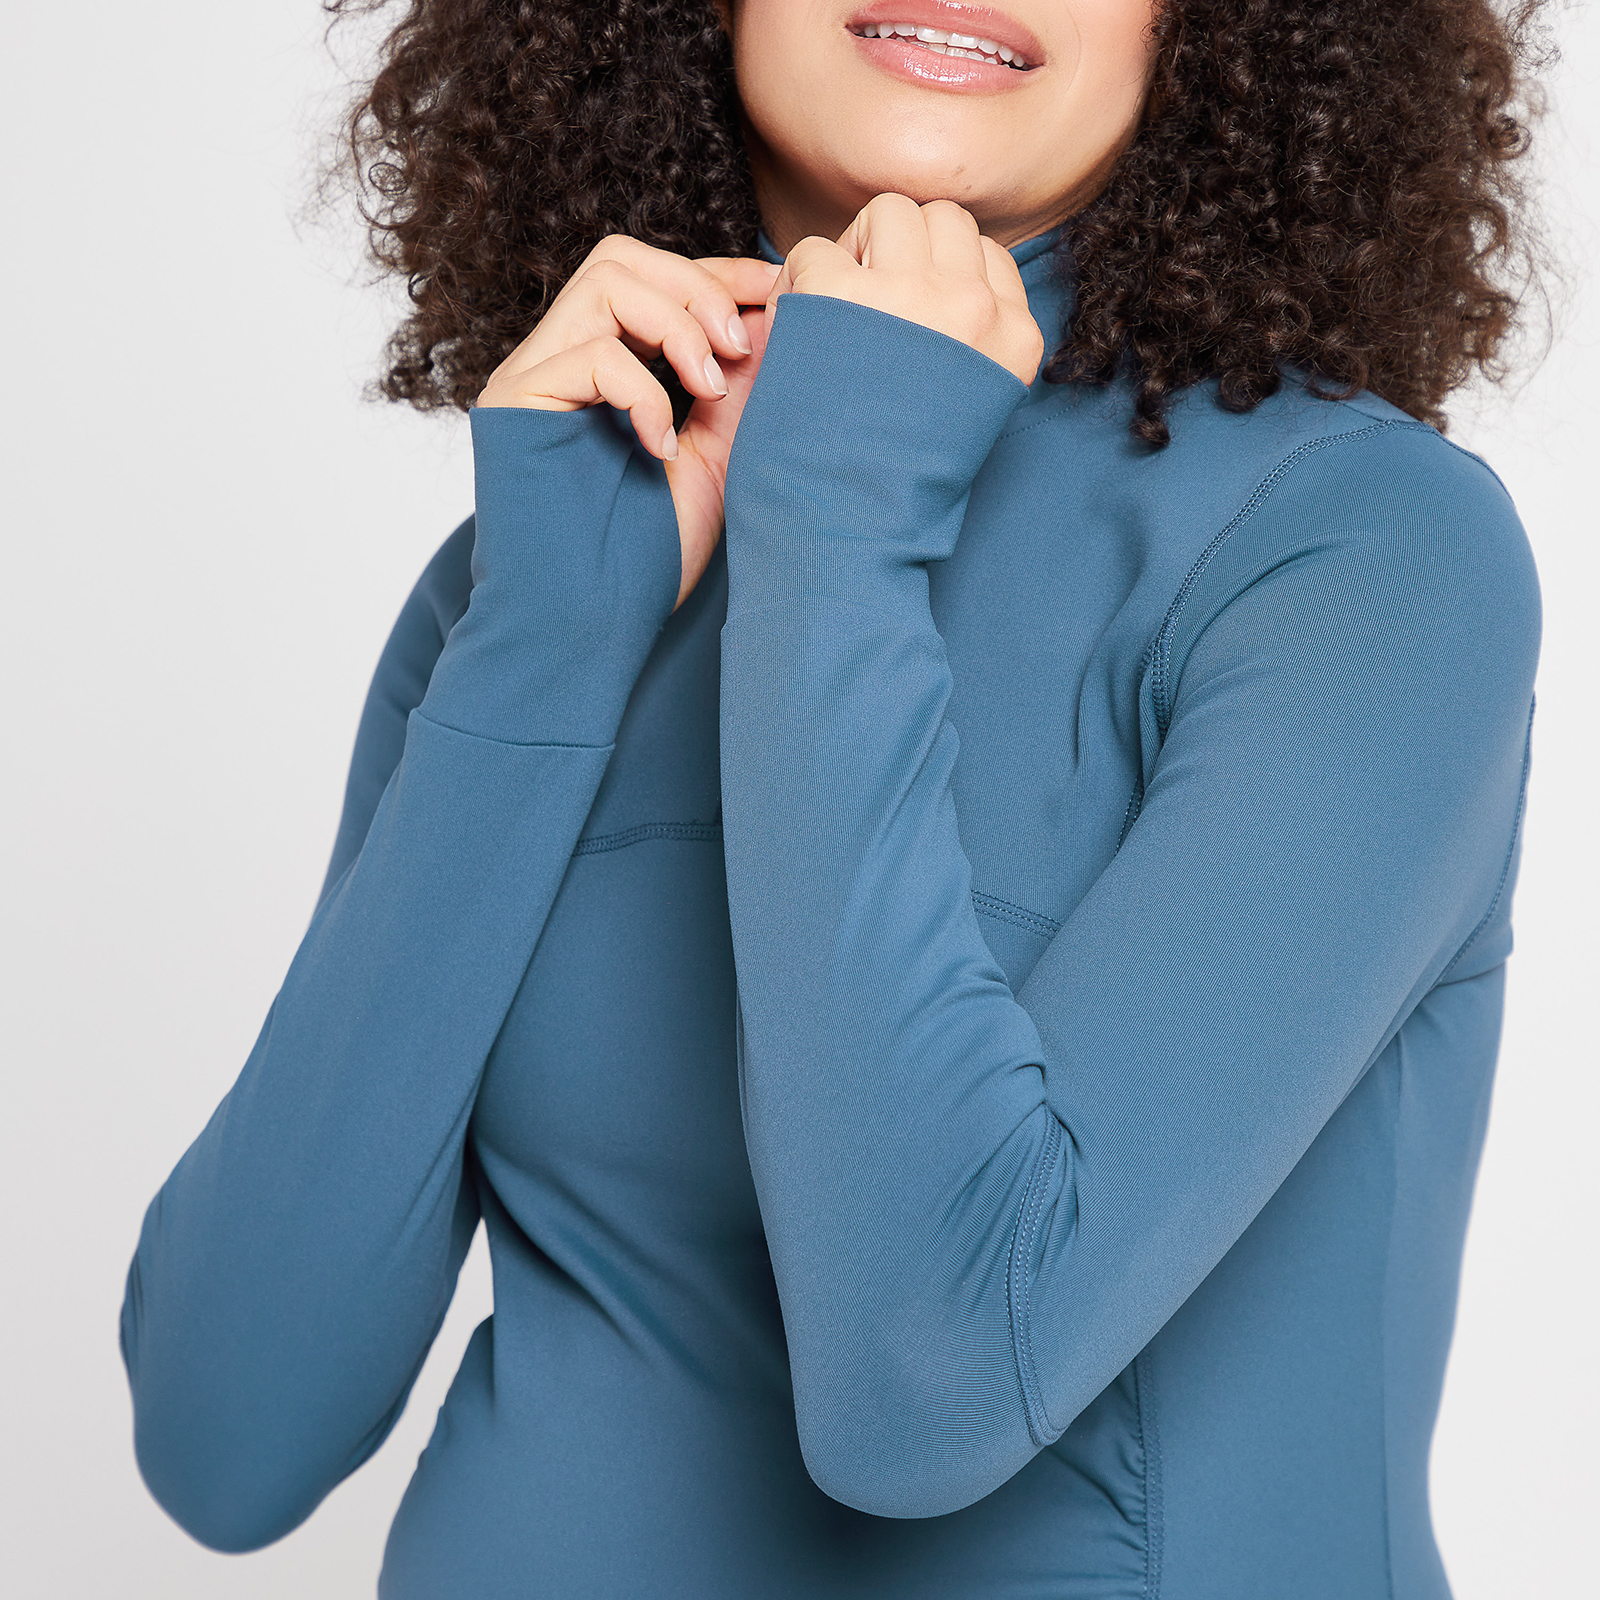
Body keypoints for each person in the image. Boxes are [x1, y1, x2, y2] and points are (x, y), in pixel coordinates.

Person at [119, 2, 1548, 1595]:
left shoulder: (1362, 552)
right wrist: (537, 649)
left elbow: (928, 1393)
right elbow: (224, 1440)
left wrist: (840, 518)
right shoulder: (538, 574)